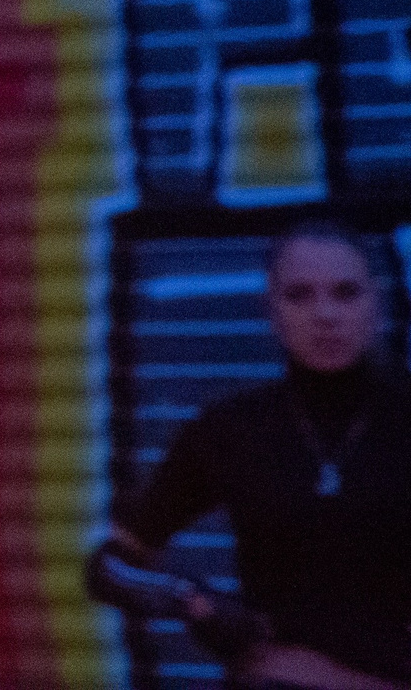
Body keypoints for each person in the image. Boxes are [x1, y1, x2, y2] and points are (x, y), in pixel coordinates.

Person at [88, 219, 411, 690]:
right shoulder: (231, 429)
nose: (325, 314)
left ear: (375, 304)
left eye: (346, 292)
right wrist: (192, 599)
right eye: (299, 295)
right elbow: (109, 567)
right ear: (271, 311)